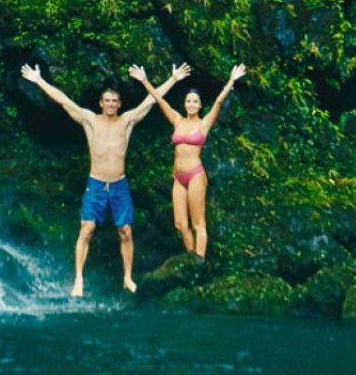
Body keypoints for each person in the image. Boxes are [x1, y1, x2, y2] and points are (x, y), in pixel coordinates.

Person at [21, 62, 191, 295]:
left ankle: (128, 278)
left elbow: (151, 101)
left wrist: (173, 79)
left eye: (114, 101)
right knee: (87, 229)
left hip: (119, 185)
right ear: (101, 103)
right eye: (107, 101)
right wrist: (39, 80)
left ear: (119, 104)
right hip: (96, 184)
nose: (111, 104)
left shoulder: (127, 121)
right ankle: (78, 279)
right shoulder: (89, 120)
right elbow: (63, 101)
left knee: (126, 231)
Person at [130, 63, 246, 260]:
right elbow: (159, 100)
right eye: (188, 101)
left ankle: (200, 262)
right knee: (180, 224)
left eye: (195, 102)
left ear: (200, 105)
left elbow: (218, 102)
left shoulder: (204, 123)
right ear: (185, 104)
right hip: (178, 177)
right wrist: (144, 80)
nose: (191, 104)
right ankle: (192, 259)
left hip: (195, 175)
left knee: (198, 223)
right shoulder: (177, 120)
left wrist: (231, 81)